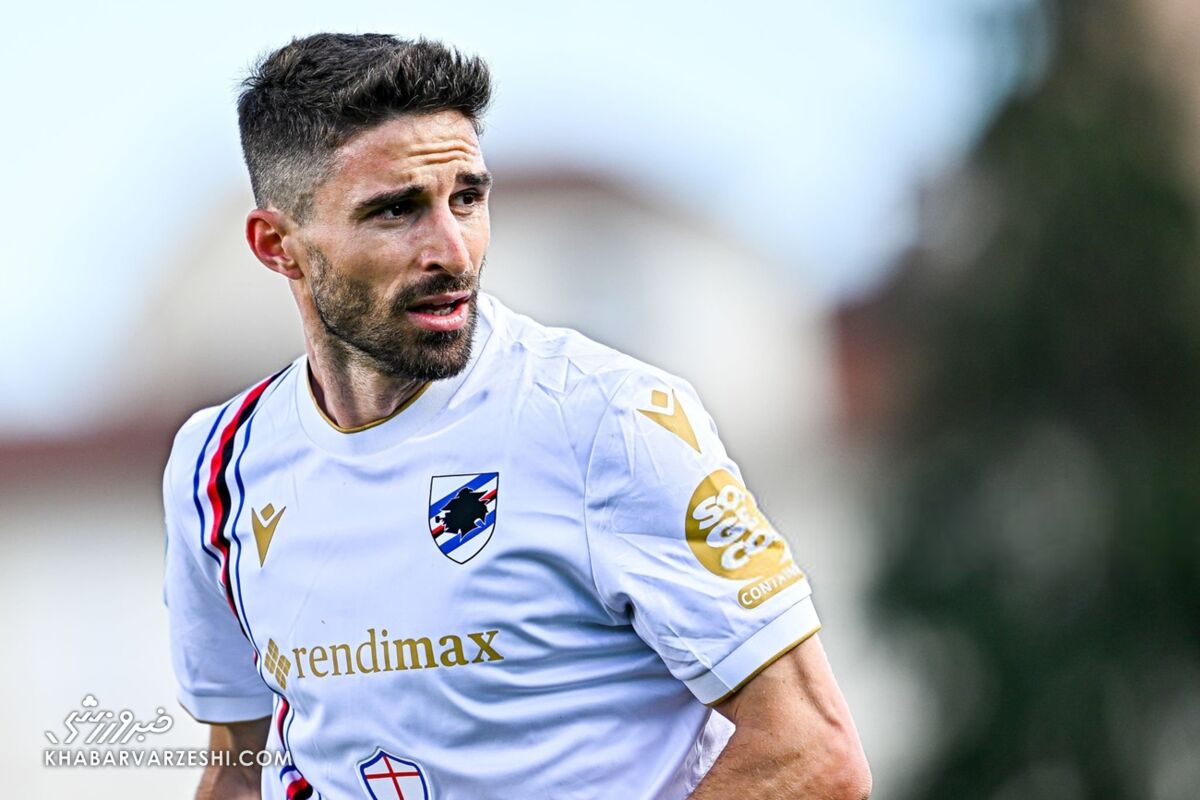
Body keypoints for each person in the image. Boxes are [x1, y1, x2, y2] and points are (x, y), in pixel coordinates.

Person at [163, 33, 871, 800]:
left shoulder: (608, 419)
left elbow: (811, 751)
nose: (452, 250)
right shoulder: (216, 467)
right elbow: (240, 768)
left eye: (467, 198)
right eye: (396, 211)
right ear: (278, 246)